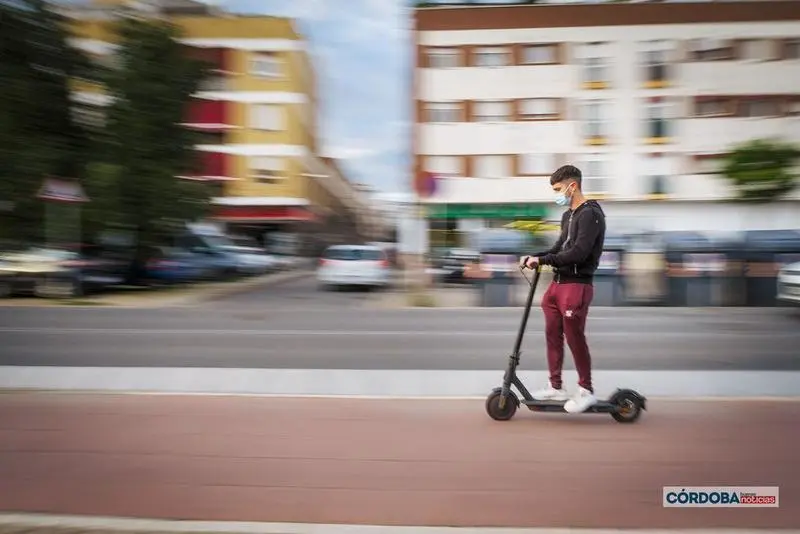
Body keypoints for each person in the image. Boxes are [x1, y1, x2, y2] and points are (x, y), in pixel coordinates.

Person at [520, 165, 606, 414]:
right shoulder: (568, 215)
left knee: (574, 337)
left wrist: (545, 261)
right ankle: (555, 385)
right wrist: (534, 256)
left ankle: (586, 390)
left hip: (577, 286)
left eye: (558, 189)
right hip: (557, 286)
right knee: (552, 334)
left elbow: (579, 253)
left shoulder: (591, 214)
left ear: (573, 186)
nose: (557, 194)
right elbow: (559, 247)